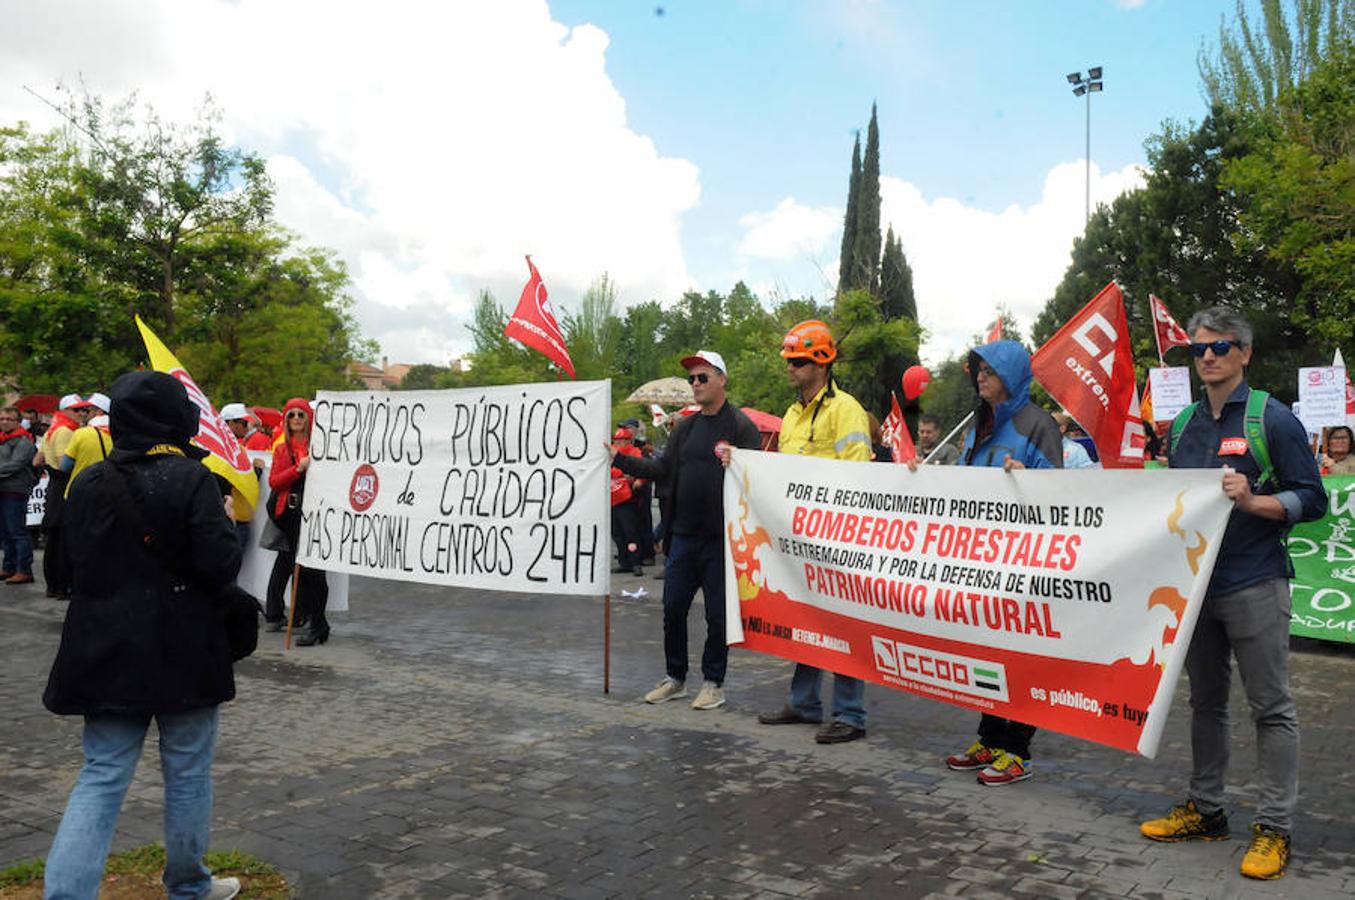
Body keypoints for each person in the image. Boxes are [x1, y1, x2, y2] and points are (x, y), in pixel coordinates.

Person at [41, 371, 243, 900]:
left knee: (102, 774)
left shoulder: (88, 481)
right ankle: (189, 885)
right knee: (188, 773)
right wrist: (220, 521)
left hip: (103, 646)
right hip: (185, 647)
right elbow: (220, 566)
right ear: (178, 418)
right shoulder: (193, 478)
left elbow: (64, 564)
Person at [1140, 307, 1326, 881]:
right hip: (1198, 589)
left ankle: (1275, 827)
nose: (1209, 357)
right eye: (1199, 350)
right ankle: (1206, 808)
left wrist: (1254, 502)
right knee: (1207, 704)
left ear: (1244, 353)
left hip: (1256, 580)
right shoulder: (1189, 423)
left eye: (1220, 347)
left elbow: (1313, 500)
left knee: (1271, 708)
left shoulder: (1274, 419)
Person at [942, 339, 1062, 785]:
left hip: (1024, 560)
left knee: (1020, 656)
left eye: (989, 371)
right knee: (988, 654)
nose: (980, 378)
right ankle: (990, 738)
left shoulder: (1038, 424)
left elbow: (1059, 493)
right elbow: (964, 480)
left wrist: (1030, 479)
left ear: (1010, 375)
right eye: (977, 371)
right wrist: (921, 475)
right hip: (982, 558)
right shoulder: (980, 423)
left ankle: (1018, 750)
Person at [612, 350, 761, 711]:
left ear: (722, 379)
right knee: (672, 607)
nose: (695, 384)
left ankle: (714, 683)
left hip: (722, 541)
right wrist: (617, 458)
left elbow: (758, 480)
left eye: (702, 377)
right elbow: (661, 469)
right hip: (683, 537)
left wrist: (741, 465)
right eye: (692, 379)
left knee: (716, 615)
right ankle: (675, 678)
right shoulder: (686, 429)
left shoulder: (742, 427)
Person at [757, 320, 874, 744]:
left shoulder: (846, 410)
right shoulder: (791, 414)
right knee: (803, 619)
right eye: (788, 359)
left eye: (799, 360)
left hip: (839, 539)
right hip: (799, 541)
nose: (790, 367)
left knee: (843, 625)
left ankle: (851, 714)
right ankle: (804, 703)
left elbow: (858, 475)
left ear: (822, 364)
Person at [266, 398, 330, 645]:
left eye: (300, 415)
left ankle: (317, 622)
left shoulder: (322, 447)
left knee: (316, 570)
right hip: (290, 516)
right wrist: (298, 469)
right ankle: (313, 623)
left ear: (308, 418)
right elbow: (274, 482)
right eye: (291, 415)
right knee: (298, 568)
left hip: (317, 514)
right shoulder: (283, 449)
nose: (295, 420)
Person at [37, 395, 83, 599]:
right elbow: (62, 463)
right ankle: (60, 586)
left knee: (55, 538)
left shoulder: (53, 428)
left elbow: (37, 460)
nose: (81, 413)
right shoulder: (65, 430)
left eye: (82, 409)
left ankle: (54, 585)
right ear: (65, 410)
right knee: (62, 538)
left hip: (54, 486)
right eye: (76, 410)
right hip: (61, 485)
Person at [0, 406, 39, 585]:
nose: (4, 422)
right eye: (2, 419)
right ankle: (9, 566)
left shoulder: (24, 441)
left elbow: (15, 465)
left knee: (17, 531)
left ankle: (24, 570)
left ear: (17, 422)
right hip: (4, 489)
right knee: (5, 531)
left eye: (8, 419)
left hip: (15, 490)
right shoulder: (3, 439)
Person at [609, 427, 647, 576]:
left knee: (630, 531)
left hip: (627, 497)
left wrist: (639, 480)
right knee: (616, 532)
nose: (619, 443)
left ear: (629, 440)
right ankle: (624, 561)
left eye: (622, 440)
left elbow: (644, 469)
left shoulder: (634, 453)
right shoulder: (610, 452)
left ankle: (636, 562)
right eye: (617, 440)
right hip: (612, 497)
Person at [60, 393, 113, 493]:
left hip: (81, 491)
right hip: (112, 491)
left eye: (86, 410)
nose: (83, 414)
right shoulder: (120, 433)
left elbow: (64, 466)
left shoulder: (81, 434)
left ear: (99, 412)